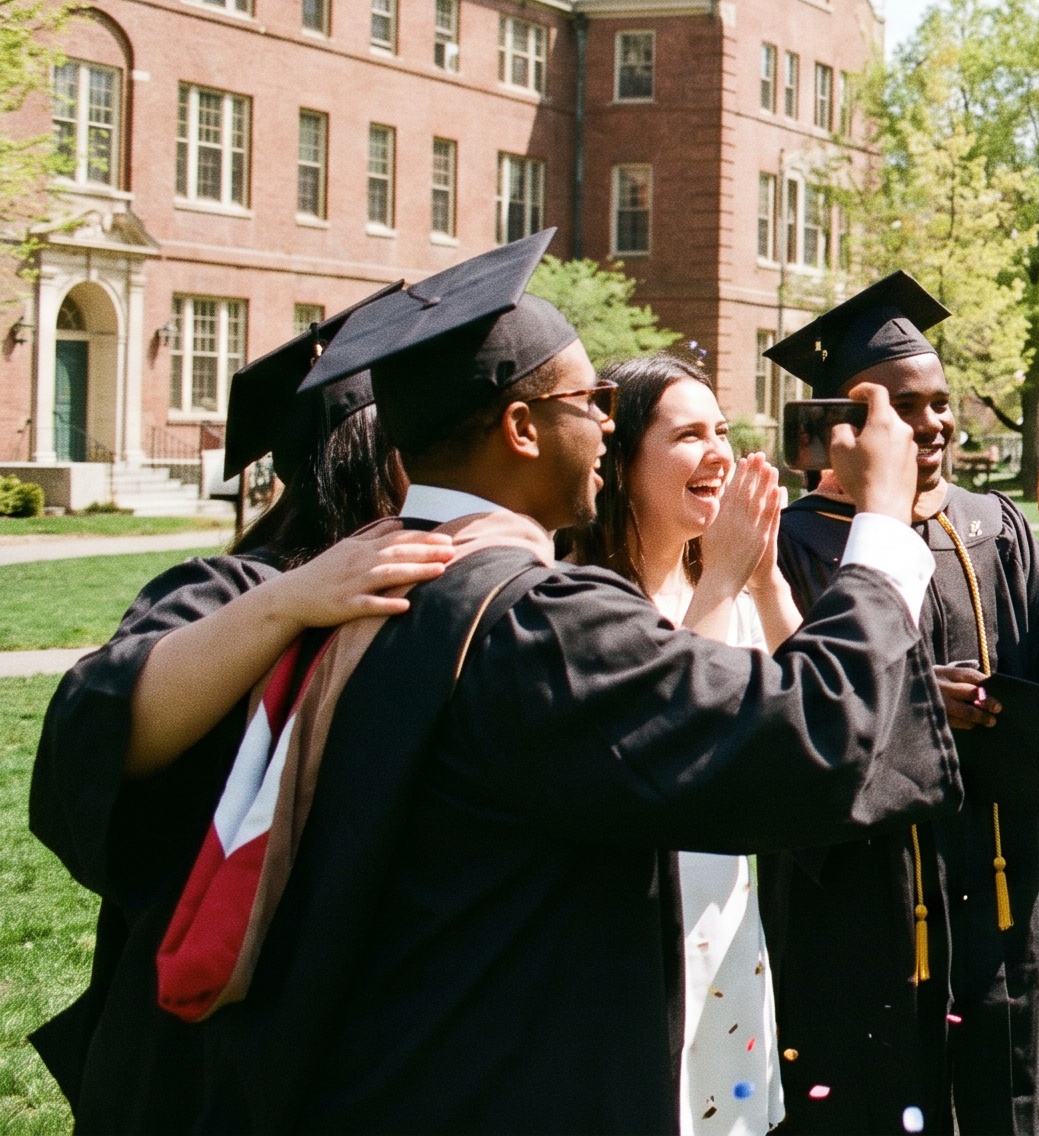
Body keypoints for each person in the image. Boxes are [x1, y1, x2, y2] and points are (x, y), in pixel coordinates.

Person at [193, 230, 964, 1134]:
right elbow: (808, 740)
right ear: (521, 428)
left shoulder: (360, 594)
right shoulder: (534, 621)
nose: (607, 422)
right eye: (590, 402)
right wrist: (879, 528)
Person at [26, 294, 453, 1134]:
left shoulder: (434, 597)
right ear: (388, 463)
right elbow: (97, 728)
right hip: (207, 1027)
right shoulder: (228, 590)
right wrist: (288, 603)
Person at [763, 271, 1039, 1136]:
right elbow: (782, 716)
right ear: (846, 421)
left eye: (941, 402)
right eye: (906, 406)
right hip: (866, 889)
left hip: (998, 868)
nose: (934, 423)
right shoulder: (793, 546)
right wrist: (909, 708)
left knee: (1009, 1091)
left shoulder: (990, 525)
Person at [568, 353, 801, 1136]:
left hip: (726, 929)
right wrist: (724, 584)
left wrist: (764, 582)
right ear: (624, 461)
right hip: (629, 939)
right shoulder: (580, 599)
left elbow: (811, 724)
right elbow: (672, 728)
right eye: (688, 434)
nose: (719, 453)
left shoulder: (728, 587)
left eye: (724, 431)